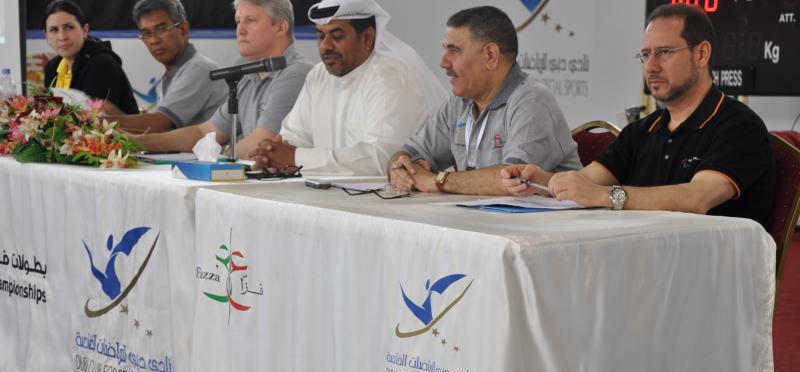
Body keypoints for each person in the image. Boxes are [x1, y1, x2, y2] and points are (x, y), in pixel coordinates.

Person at [502, 4, 775, 228]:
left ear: (701, 54)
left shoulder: (739, 126)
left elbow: (697, 198)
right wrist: (541, 182)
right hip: (643, 264)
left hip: (712, 276)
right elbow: (586, 181)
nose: (651, 66)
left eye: (665, 52)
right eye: (646, 55)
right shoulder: (643, 130)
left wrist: (607, 196)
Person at [387, 6, 580, 196]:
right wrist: (400, 169)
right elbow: (407, 154)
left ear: (490, 55)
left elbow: (513, 180)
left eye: (454, 51)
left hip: (543, 224)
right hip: (482, 220)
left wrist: (437, 181)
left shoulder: (532, 101)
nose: (443, 62)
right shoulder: (459, 103)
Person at [249, 0, 447, 175]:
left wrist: (296, 158)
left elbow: (382, 159)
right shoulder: (319, 75)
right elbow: (294, 136)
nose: (325, 46)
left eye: (337, 36)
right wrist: (272, 154)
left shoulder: (391, 77)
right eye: (320, 36)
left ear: (367, 38)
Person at [133, 0, 312, 155]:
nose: (240, 30)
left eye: (250, 21)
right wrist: (137, 142)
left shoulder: (295, 73)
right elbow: (205, 132)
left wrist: (223, 152)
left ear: (281, 27)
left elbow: (262, 144)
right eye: (238, 21)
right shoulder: (249, 77)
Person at [109, 0, 227, 132]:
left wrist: (102, 121)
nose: (154, 40)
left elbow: (162, 124)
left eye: (161, 29)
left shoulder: (199, 68)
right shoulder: (173, 73)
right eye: (146, 33)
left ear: (183, 30)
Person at [43, 0, 139, 114]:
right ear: (46, 35)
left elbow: (96, 123)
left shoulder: (101, 64)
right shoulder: (52, 67)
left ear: (85, 30)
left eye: (69, 27)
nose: (62, 36)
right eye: (54, 30)